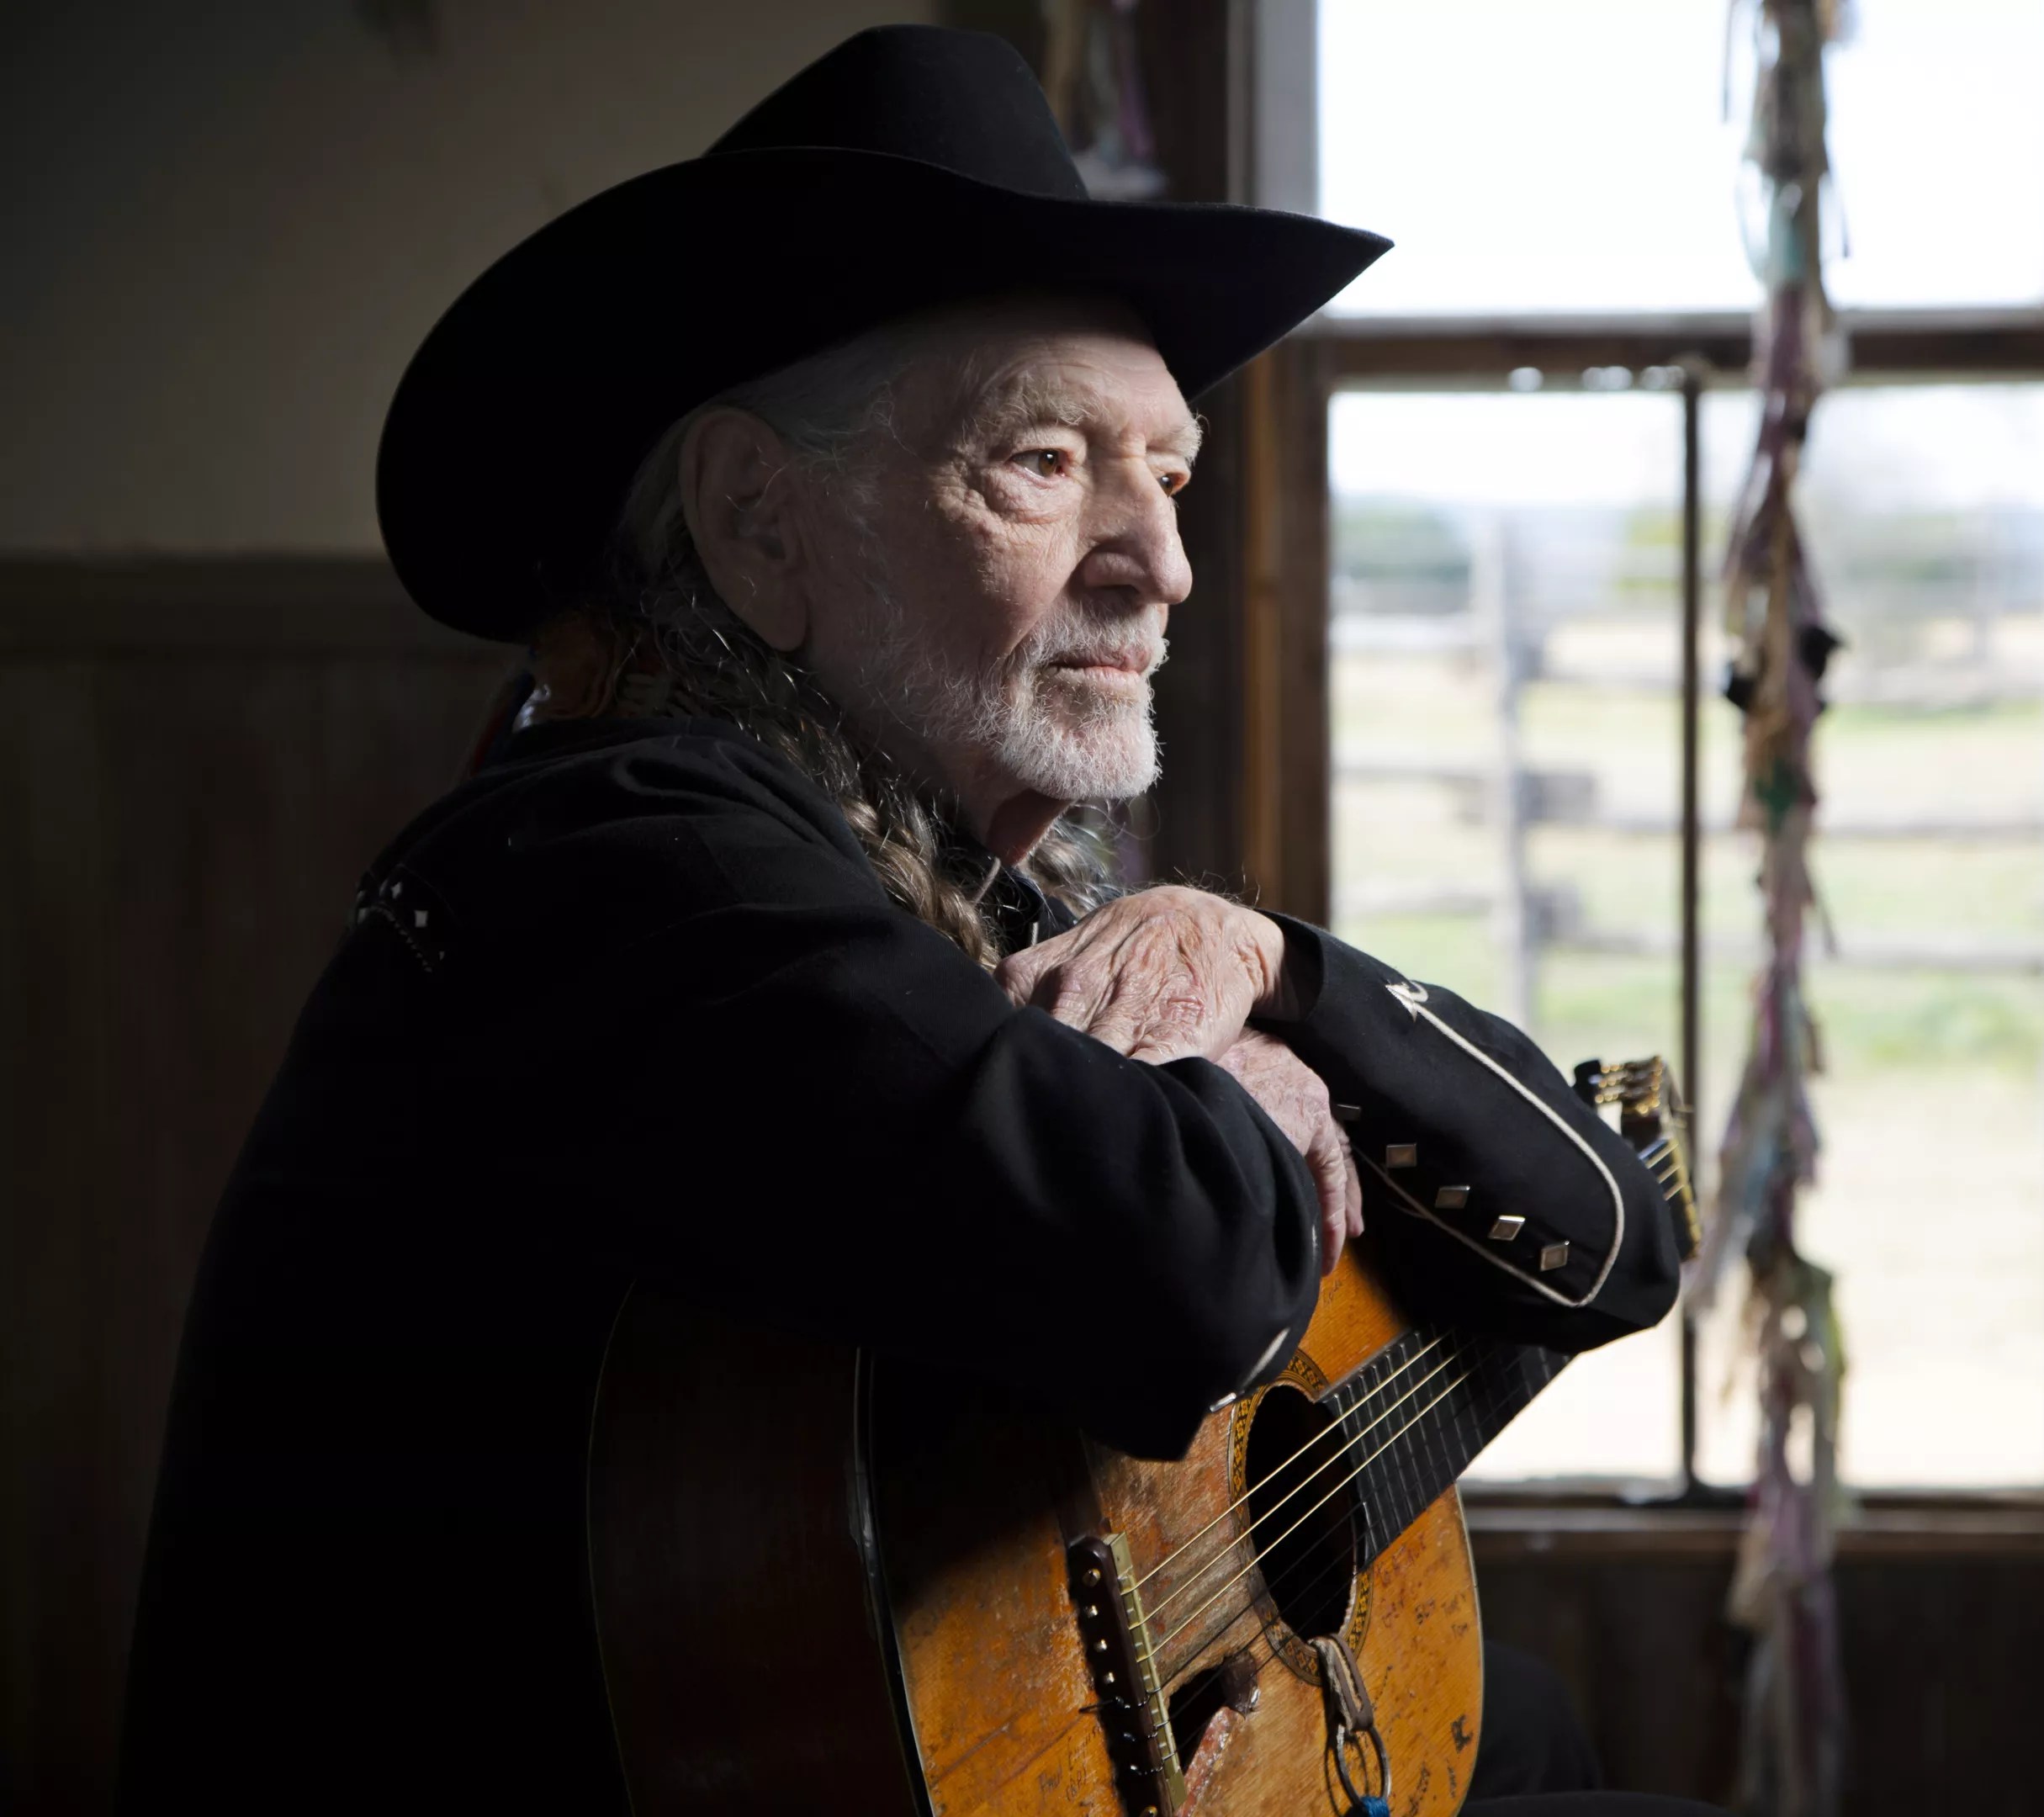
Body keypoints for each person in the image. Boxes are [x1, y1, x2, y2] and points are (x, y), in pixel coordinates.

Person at [119, 27, 1707, 1816]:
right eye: (1046, 461)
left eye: (1171, 474)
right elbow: (1180, 1270)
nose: (1163, 563)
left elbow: (1620, 1238)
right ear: (758, 525)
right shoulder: (615, 866)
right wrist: (1245, 1096)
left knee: (1535, 1731)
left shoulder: (944, 878)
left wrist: (1266, 966)